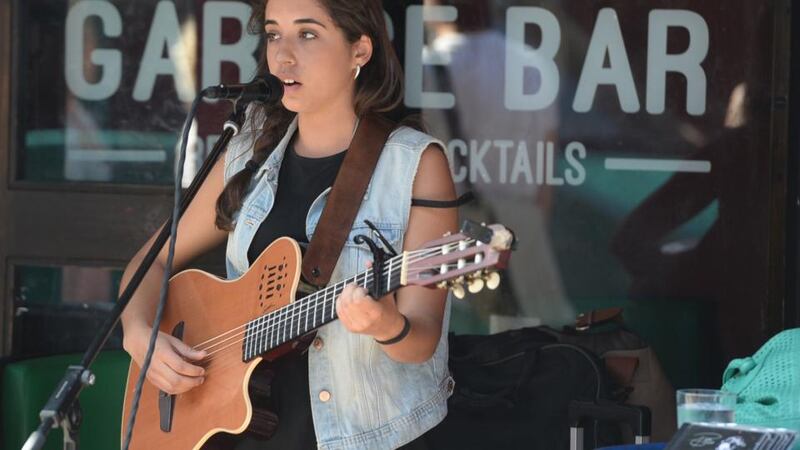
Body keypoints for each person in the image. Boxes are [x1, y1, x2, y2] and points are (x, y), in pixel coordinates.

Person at [119, 0, 458, 449]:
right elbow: (152, 261)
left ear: (360, 50)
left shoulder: (415, 164)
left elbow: (421, 341)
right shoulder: (249, 150)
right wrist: (139, 335)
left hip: (363, 437)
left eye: (308, 34)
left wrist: (384, 324)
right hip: (245, 430)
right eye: (274, 34)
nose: (282, 55)